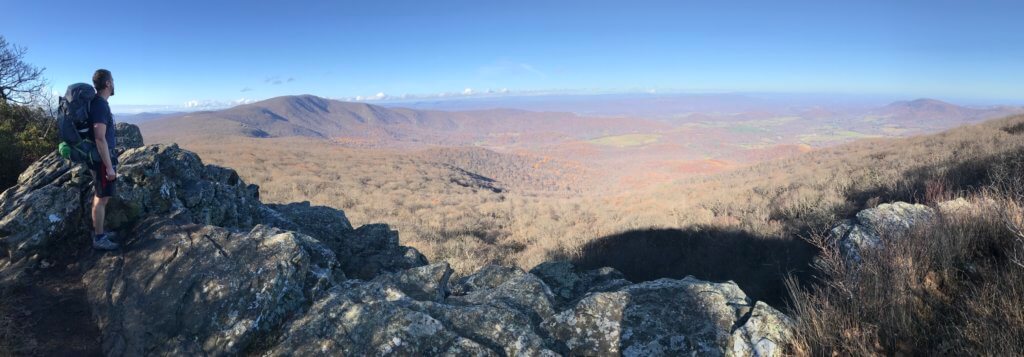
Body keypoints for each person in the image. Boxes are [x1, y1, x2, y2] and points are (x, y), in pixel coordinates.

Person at [89, 69, 119, 250]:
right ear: (107, 83)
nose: (114, 83)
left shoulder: (98, 104)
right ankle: (99, 238)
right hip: (102, 161)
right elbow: (100, 137)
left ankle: (99, 231)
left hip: (101, 159)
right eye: (113, 80)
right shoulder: (100, 105)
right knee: (101, 198)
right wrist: (109, 167)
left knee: (100, 196)